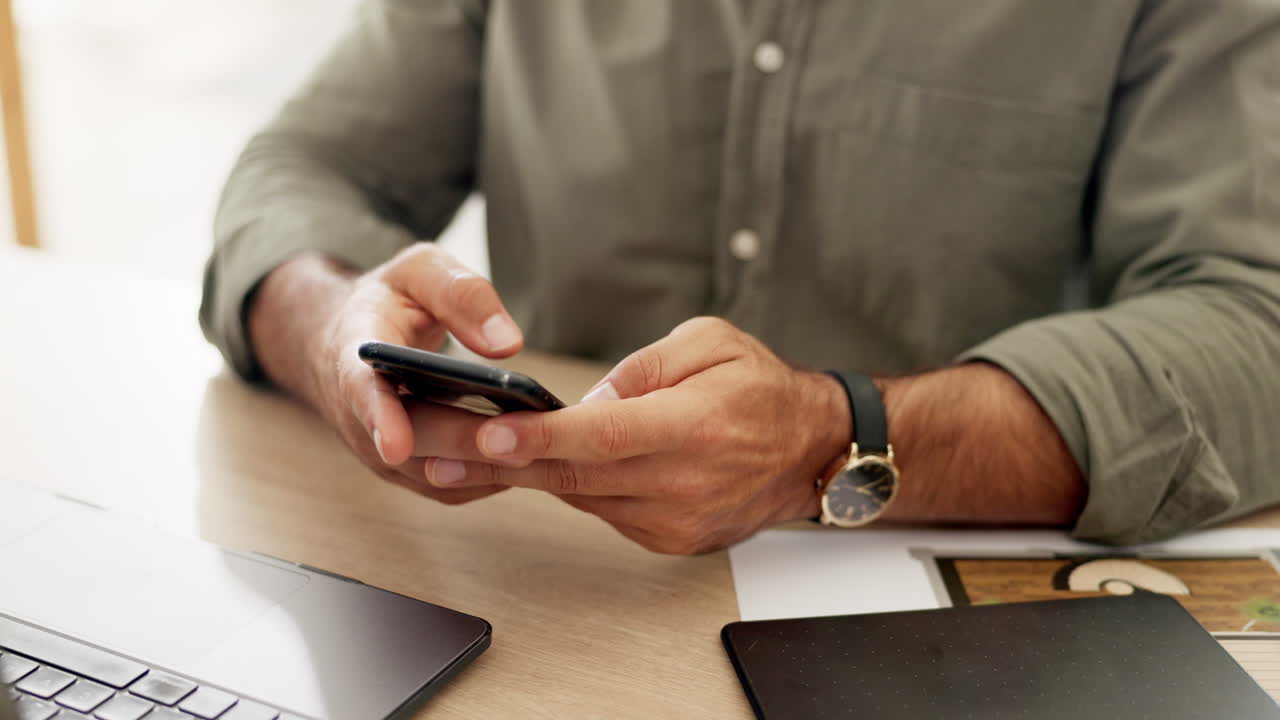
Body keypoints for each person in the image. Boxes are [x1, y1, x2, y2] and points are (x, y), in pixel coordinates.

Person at [201, 1, 1280, 554]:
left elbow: (1253, 329)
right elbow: (298, 176)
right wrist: (336, 325)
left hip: (954, 630)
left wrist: (835, 436)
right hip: (551, 597)